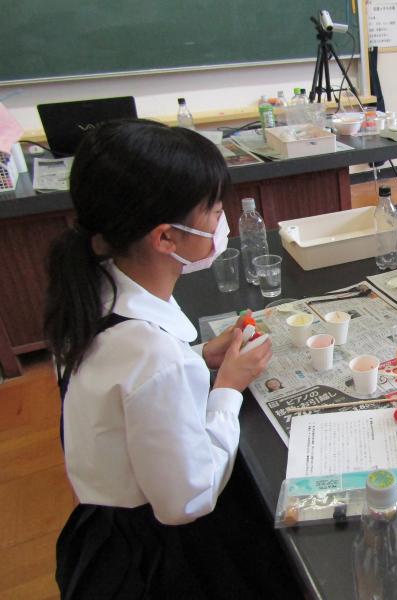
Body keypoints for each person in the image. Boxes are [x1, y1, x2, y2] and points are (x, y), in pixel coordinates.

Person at [44, 119, 283, 598]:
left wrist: (200, 357)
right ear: (166, 238)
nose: (221, 222)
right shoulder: (155, 358)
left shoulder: (91, 289)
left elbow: (130, 384)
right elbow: (187, 501)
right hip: (153, 557)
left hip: (103, 525)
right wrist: (227, 389)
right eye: (214, 210)